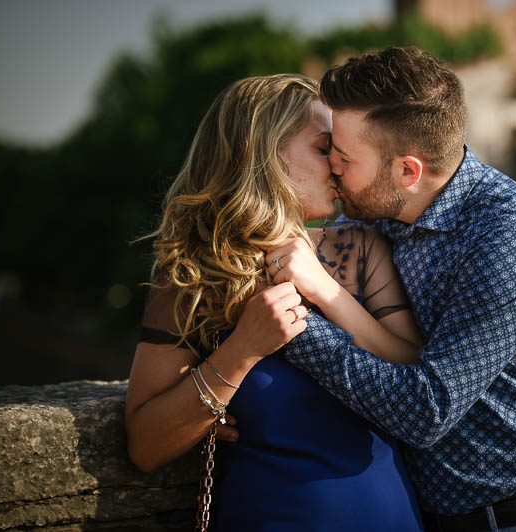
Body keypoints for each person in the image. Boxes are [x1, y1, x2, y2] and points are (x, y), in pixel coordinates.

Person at [272, 47, 516, 532]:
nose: (333, 169)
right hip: (429, 517)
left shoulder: (508, 237)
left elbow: (426, 409)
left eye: (344, 157)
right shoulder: (381, 213)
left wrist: (291, 327)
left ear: (408, 171)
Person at [124, 74, 426, 531]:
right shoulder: (192, 275)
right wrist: (239, 352)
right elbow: (145, 446)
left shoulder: (362, 249)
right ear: (265, 153)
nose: (339, 166)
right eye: (324, 148)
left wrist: (327, 290)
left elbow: (416, 379)